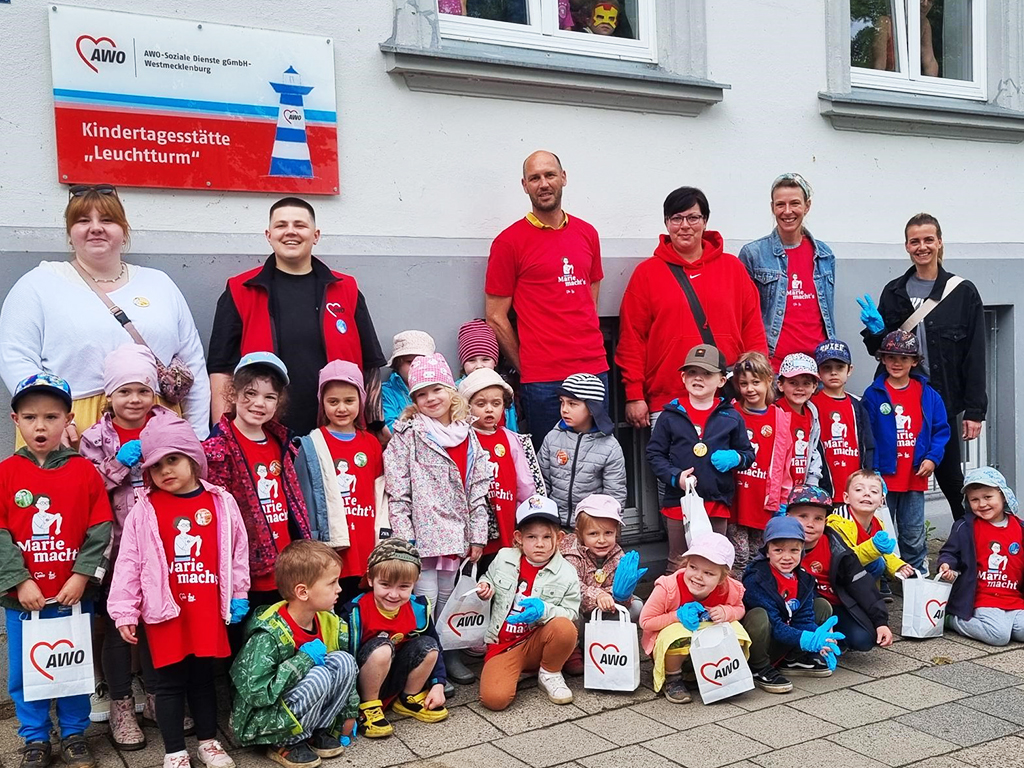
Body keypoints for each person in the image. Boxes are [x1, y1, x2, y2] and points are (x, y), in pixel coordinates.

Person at [0, 184, 210, 443]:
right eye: (83, 220)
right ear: (70, 233)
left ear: (124, 231)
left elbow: (193, 361)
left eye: (107, 220)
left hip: (157, 428)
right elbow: (16, 357)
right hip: (74, 426)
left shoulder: (159, 283)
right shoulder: (38, 284)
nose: (95, 227)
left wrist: (199, 434)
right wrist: (48, 418)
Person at [107, 414, 249, 768]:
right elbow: (129, 562)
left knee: (203, 680)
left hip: (205, 609)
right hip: (164, 612)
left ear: (192, 458)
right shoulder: (146, 508)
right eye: (155, 465)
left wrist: (239, 594)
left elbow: (237, 552)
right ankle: (174, 752)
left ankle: (208, 742)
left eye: (173, 460)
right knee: (168, 684)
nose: (165, 470)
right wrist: (125, 611)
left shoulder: (220, 502)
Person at [0, 373, 113, 768]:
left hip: (72, 595)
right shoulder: (6, 473)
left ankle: (74, 733)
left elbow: (101, 529)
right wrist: (19, 579)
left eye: (51, 416)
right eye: (31, 417)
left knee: (73, 666)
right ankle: (33, 737)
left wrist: (82, 576)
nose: (41, 425)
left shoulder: (84, 472)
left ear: (68, 419)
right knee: (25, 672)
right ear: (16, 420)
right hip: (23, 600)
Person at [208, 197, 386, 437]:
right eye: (281, 225)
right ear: (268, 235)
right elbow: (221, 369)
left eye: (300, 225)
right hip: (263, 432)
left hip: (337, 430)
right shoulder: (240, 290)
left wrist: (374, 425)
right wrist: (223, 432)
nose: (290, 231)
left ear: (315, 235)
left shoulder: (347, 289)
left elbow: (371, 365)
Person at [857, 212, 986, 520]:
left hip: (942, 401)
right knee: (891, 478)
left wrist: (975, 410)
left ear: (939, 242)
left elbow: (975, 353)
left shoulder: (962, 292)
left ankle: (965, 544)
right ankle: (890, 551)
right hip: (899, 399)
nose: (922, 246)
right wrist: (875, 330)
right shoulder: (894, 291)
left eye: (929, 239)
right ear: (906, 246)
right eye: (915, 241)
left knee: (952, 479)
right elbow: (882, 351)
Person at [80, 344, 176, 747]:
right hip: (115, 550)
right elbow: (84, 493)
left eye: (142, 390)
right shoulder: (95, 438)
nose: (134, 399)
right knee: (120, 629)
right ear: (109, 396)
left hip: (163, 545)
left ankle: (155, 698)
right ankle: (121, 704)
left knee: (158, 623)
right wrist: (118, 463)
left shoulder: (166, 426)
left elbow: (187, 471)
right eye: (124, 391)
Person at [617, 186, 766, 430]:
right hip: (669, 401)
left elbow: (753, 330)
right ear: (667, 223)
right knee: (675, 469)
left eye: (693, 217)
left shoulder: (733, 269)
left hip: (726, 399)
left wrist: (756, 382)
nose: (685, 225)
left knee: (730, 466)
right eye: (676, 218)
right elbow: (632, 339)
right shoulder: (646, 274)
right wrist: (634, 394)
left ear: (705, 221)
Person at [485, 151, 608, 444]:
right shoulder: (508, 242)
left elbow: (590, 299)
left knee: (598, 459)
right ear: (524, 185)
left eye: (550, 175)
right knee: (550, 467)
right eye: (535, 178)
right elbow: (495, 315)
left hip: (594, 370)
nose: (543, 183)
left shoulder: (587, 233)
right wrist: (525, 365)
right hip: (543, 379)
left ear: (563, 178)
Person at [382, 353, 490, 685]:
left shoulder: (467, 433)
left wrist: (477, 535)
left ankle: (447, 652)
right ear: (414, 400)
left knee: (450, 595)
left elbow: (477, 488)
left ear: (450, 391)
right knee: (423, 598)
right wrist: (405, 539)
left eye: (436, 390)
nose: (430, 399)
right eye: (421, 394)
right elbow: (398, 491)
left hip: (456, 533)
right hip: (423, 535)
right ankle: (426, 661)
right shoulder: (408, 435)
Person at [204, 352, 310, 640]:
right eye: (250, 393)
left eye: (269, 397)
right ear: (234, 393)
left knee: (284, 639)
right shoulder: (218, 446)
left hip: (285, 563)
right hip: (248, 570)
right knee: (249, 643)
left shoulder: (281, 440)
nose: (259, 404)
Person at [231, 540, 359, 768]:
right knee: (318, 676)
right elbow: (257, 693)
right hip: (262, 721)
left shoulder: (329, 622)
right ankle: (287, 742)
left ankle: (316, 730)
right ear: (302, 592)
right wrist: (304, 660)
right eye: (332, 583)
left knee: (344, 661)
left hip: (301, 705)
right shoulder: (268, 633)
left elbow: (344, 679)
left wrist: (349, 713)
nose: (339, 589)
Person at [647, 345, 754, 565]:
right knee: (678, 561)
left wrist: (736, 458)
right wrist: (676, 477)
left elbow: (748, 454)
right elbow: (654, 454)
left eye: (707, 373)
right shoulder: (670, 416)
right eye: (693, 373)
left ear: (722, 381)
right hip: (679, 501)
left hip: (716, 501)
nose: (699, 378)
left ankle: (712, 601)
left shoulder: (731, 417)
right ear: (683, 377)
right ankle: (674, 600)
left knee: (715, 561)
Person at [475, 496, 581, 710]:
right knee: (494, 700)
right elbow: (488, 578)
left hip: (538, 639)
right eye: (531, 537)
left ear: (559, 538)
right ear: (519, 538)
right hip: (505, 645)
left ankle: (549, 672)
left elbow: (571, 613)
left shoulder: (567, 572)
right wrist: (485, 587)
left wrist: (544, 610)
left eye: (546, 537)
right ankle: (521, 670)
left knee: (564, 628)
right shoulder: (504, 557)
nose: (539, 544)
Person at [296, 361, 386, 605]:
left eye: (349, 400)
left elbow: (381, 495)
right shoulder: (313, 444)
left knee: (363, 608)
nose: (341, 408)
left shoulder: (371, 444)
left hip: (366, 545)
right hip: (333, 548)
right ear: (322, 403)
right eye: (333, 402)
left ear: (361, 400)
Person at [339, 539, 449, 738]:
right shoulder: (354, 611)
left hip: (397, 675)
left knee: (429, 645)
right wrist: (348, 705)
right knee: (382, 648)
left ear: (415, 583)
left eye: (404, 586)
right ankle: (368, 707)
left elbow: (436, 647)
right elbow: (342, 660)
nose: (393, 594)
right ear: (371, 579)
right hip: (364, 681)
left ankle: (408, 697)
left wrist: (437, 684)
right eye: (385, 584)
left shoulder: (418, 608)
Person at [861, 330, 949, 576]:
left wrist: (933, 457)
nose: (896, 363)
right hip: (883, 479)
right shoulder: (873, 394)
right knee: (882, 532)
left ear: (915, 361)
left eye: (903, 358)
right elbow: (868, 435)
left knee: (913, 533)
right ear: (882, 360)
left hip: (914, 476)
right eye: (890, 357)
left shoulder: (928, 394)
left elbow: (941, 431)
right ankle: (884, 579)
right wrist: (872, 470)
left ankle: (916, 578)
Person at [738, 174, 836, 370]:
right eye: (780, 204)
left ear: (807, 206)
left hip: (817, 367)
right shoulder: (753, 254)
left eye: (795, 203)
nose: (787, 211)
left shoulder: (825, 255)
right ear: (772, 207)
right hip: (772, 368)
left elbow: (826, 314)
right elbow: (744, 316)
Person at [639, 533, 747, 704]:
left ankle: (724, 673)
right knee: (676, 633)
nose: (698, 576)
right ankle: (673, 678)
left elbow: (740, 608)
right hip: (674, 652)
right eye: (693, 567)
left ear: (722, 578)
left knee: (736, 629)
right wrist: (676, 616)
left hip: (708, 650)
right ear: (686, 564)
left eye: (708, 573)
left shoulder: (729, 589)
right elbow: (645, 621)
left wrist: (726, 612)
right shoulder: (668, 587)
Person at [741, 516, 842, 694]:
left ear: (802, 551)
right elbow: (776, 626)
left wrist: (819, 641)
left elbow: (804, 619)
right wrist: (807, 639)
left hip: (786, 637)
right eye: (778, 550)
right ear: (767, 552)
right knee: (759, 615)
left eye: (794, 550)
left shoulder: (804, 578)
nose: (787, 557)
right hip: (765, 641)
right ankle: (759, 667)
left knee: (821, 605)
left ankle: (793, 659)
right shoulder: (756, 579)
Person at [786, 486, 893, 653]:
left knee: (864, 639)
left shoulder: (836, 548)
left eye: (818, 518)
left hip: (836, 604)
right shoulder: (779, 548)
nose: (810, 524)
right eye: (802, 516)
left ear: (825, 522)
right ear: (787, 517)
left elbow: (861, 584)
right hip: (798, 608)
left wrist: (881, 622)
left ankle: (834, 639)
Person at [559, 494, 647, 675]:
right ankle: (572, 649)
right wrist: (597, 595)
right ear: (580, 534)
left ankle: (606, 642)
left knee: (637, 606)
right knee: (568, 614)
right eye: (593, 534)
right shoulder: (571, 554)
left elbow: (619, 586)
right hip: (579, 609)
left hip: (604, 609)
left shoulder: (617, 554)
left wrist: (621, 596)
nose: (601, 540)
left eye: (608, 533)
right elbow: (572, 585)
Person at [937, 467, 1024, 646]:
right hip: (981, 598)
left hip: (1014, 597)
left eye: (988, 497)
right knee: (998, 636)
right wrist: (946, 564)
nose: (982, 504)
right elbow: (950, 552)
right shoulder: (966, 527)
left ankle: (1006, 624)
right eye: (974, 500)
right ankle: (952, 620)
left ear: (1003, 495)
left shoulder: (1020, 527)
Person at [458, 368, 537, 559]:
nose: (489, 409)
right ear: (467, 406)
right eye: (481, 403)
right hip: (475, 524)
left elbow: (525, 484)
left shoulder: (511, 439)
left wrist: (527, 517)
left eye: (496, 403)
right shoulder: (463, 438)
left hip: (507, 520)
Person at [729, 352, 794, 578]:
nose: (750, 389)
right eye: (744, 383)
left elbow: (785, 464)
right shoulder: (730, 412)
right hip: (735, 500)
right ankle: (735, 601)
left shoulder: (780, 418)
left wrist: (783, 501)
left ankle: (753, 600)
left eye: (756, 382)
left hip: (763, 501)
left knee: (759, 554)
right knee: (738, 554)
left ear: (769, 381)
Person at [537, 373, 626, 527]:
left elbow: (614, 495)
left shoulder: (610, 446)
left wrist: (606, 530)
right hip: (554, 525)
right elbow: (541, 483)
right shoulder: (552, 438)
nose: (564, 409)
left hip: (591, 527)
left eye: (572, 404)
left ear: (593, 409)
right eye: (562, 402)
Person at [829, 470, 916, 601]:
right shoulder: (837, 523)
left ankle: (867, 595)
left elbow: (885, 552)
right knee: (877, 562)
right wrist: (874, 548)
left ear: (881, 500)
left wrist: (899, 566)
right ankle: (855, 597)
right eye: (859, 490)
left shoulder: (878, 522)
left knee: (879, 562)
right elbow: (844, 561)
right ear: (846, 497)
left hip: (859, 573)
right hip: (836, 576)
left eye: (874, 491)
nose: (867, 494)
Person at [810, 339, 875, 498]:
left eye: (839, 367)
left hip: (856, 492)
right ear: (818, 372)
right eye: (827, 368)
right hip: (824, 490)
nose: (833, 372)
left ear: (849, 369)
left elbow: (868, 445)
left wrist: (869, 475)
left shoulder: (858, 406)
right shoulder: (811, 405)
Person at [456, 319, 519, 431]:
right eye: (471, 360)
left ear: (495, 361)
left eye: (485, 359)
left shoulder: (503, 387)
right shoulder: (455, 391)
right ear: (463, 362)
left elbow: (511, 424)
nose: (479, 366)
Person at [776, 354, 823, 488]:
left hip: (802, 487)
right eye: (793, 383)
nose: (800, 388)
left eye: (806, 383)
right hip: (777, 488)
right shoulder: (775, 411)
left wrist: (812, 483)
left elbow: (813, 449)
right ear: (780, 385)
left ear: (814, 387)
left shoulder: (812, 413)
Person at [381, 331, 435, 433]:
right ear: (398, 364)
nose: (416, 365)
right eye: (410, 362)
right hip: (405, 444)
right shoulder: (387, 392)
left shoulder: (440, 389)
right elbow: (389, 426)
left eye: (422, 360)